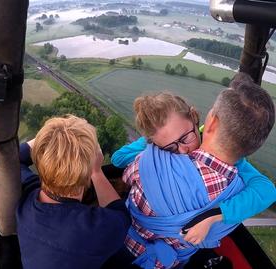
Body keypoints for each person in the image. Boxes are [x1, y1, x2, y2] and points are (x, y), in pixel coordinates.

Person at [111, 76, 275, 268]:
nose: (182, 151)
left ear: (207, 120)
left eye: (186, 138)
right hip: (166, 262)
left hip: (121, 238)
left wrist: (155, 143)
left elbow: (121, 165)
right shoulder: (238, 186)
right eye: (170, 147)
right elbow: (267, 189)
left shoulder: (147, 161)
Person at [16, 115, 131, 269]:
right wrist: (96, 172)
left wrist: (53, 135)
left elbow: (16, 158)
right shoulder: (97, 228)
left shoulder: (26, 199)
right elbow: (120, 214)